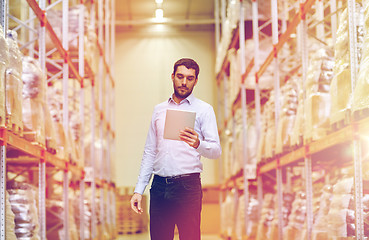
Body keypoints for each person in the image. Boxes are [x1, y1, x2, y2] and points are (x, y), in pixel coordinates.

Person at [130, 58, 222, 240]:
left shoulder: (204, 110)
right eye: (180, 76)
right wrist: (139, 190)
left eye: (190, 78)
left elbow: (216, 151)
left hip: (187, 187)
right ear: (172, 77)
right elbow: (150, 151)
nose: (184, 82)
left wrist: (198, 144)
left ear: (196, 81)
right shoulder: (159, 110)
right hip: (159, 187)